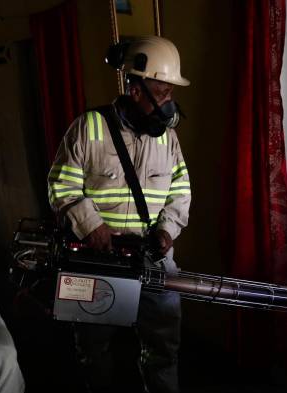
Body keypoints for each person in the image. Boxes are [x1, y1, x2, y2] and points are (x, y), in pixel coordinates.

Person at [47, 36, 191, 393]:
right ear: (136, 89)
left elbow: (181, 189)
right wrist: (90, 225)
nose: (168, 103)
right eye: (162, 93)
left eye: (171, 93)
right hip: (97, 259)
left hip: (153, 258)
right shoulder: (88, 128)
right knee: (93, 349)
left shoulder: (167, 139)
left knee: (163, 348)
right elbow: (61, 185)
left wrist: (168, 230)